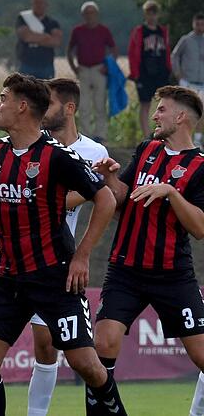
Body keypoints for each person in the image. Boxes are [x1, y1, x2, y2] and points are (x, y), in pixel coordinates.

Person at [0, 73, 126, 416]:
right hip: (8, 279)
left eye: (2, 98)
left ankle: (113, 409)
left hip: (56, 278)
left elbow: (106, 200)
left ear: (21, 107)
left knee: (87, 365)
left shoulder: (58, 156)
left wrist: (82, 256)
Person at [0, 78, 107, 416]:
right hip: (11, 258)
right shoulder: (23, 145)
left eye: (53, 104)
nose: (45, 112)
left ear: (69, 108)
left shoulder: (90, 153)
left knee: (48, 346)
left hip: (54, 257)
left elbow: (103, 198)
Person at [89, 86, 204, 416]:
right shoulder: (147, 149)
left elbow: (199, 228)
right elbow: (122, 200)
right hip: (125, 270)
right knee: (103, 344)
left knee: (201, 356)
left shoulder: (200, 167)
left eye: (162, 110)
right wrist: (111, 179)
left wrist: (170, 191)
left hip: (172, 275)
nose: (155, 115)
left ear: (180, 117)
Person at [66, 1, 117, 142]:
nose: (90, 16)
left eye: (92, 13)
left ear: (97, 14)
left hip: (99, 69)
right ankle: (85, 134)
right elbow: (70, 50)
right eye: (87, 13)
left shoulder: (103, 30)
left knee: (100, 103)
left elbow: (113, 49)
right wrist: (74, 67)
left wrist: (108, 66)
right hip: (83, 69)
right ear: (83, 15)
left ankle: (101, 135)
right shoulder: (78, 31)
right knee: (83, 104)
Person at [127, 0, 172, 138]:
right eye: (149, 14)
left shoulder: (162, 31)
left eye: (154, 14)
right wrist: (135, 73)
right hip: (144, 72)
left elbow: (167, 50)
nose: (152, 17)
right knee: (145, 104)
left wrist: (168, 68)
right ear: (145, 15)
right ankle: (147, 135)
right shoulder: (140, 31)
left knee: (164, 104)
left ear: (157, 15)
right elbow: (133, 52)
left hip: (160, 72)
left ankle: (162, 132)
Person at [171, 12, 204, 146]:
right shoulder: (186, 39)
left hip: (202, 83)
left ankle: (197, 140)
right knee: (185, 112)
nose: (200, 27)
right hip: (188, 82)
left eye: (202, 24)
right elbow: (174, 56)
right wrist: (178, 75)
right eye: (197, 24)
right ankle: (182, 139)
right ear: (193, 23)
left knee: (201, 112)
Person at [15, 0, 62, 79]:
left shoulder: (53, 23)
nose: (39, 5)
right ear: (32, 4)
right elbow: (26, 37)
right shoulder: (23, 19)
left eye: (41, 3)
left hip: (46, 65)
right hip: (26, 64)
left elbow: (56, 42)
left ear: (46, 5)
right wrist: (46, 37)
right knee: (25, 91)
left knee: (46, 91)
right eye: (36, 2)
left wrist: (34, 37)